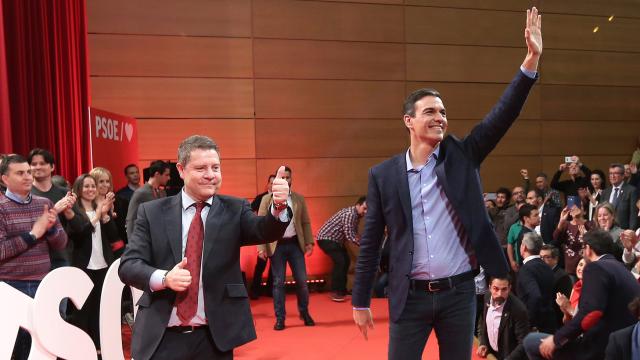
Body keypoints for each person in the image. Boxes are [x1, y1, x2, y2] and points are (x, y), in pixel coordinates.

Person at [351, 7, 542, 360]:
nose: (440, 118)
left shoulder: (462, 156)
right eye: (430, 112)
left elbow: (503, 115)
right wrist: (360, 299)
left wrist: (530, 62)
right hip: (409, 296)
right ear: (409, 120)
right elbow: (371, 242)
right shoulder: (384, 175)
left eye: (442, 112)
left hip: (459, 294)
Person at [119, 135, 292, 360]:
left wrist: (279, 205)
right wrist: (165, 278)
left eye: (216, 167)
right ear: (181, 170)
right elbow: (129, 265)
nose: (211, 175)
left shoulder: (235, 209)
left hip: (214, 339)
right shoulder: (151, 212)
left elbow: (266, 230)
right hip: (163, 337)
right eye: (201, 168)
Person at [523, 229, 640, 360]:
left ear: (588, 249)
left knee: (531, 341)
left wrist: (557, 339)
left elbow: (592, 313)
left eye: (583, 250)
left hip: (600, 348)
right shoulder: (622, 268)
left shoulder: (596, 267)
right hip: (625, 345)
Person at [0, 154, 68, 360]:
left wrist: (51, 230)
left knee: (43, 345)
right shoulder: (1, 207)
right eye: (20, 173)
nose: (28, 177)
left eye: (28, 172)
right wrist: (33, 235)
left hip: (43, 284)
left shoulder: (44, 203)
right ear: (4, 179)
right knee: (16, 348)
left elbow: (61, 244)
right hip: (11, 286)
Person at [257, 166, 315, 331]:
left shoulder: (298, 199)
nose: (285, 180)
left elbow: (305, 222)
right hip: (277, 246)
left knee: (303, 282)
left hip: (295, 244)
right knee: (278, 283)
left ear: (291, 179)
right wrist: (261, 248)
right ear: (276, 180)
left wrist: (309, 241)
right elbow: (259, 225)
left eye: (287, 177)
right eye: (281, 177)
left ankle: (304, 313)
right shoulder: (266, 200)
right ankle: (280, 318)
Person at [67, 174, 120, 353]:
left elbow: (113, 235)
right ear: (78, 189)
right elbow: (80, 232)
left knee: (100, 307)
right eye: (86, 186)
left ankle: (98, 347)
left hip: (103, 264)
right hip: (83, 266)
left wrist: (105, 215)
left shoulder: (100, 207)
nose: (90, 189)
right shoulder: (73, 210)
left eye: (93, 186)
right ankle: (81, 347)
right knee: (82, 308)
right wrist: (97, 215)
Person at [317, 196, 367, 302]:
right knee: (341, 261)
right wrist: (365, 245)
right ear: (358, 205)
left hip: (335, 241)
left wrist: (362, 240)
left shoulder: (356, 216)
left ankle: (342, 290)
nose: (366, 212)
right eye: (365, 208)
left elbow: (353, 234)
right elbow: (350, 236)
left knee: (345, 261)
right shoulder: (350, 214)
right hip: (326, 239)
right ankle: (335, 292)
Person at [476, 276, 530, 360]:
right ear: (489, 287)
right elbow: (485, 323)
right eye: (496, 289)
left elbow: (523, 343)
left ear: (509, 288)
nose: (499, 294)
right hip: (492, 354)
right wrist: (484, 343)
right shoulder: (487, 296)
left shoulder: (519, 310)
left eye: (504, 289)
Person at [517, 232, 556, 333]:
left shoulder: (526, 269)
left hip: (535, 326)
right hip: (549, 321)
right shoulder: (547, 267)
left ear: (524, 247)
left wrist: (530, 322)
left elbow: (535, 296)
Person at [125, 159, 171, 238]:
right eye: (166, 175)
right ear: (157, 174)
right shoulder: (141, 193)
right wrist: (133, 245)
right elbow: (131, 220)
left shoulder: (162, 193)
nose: (169, 178)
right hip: (144, 239)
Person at [248, 174, 275, 299]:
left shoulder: (281, 198)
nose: (273, 185)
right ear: (268, 184)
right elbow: (250, 211)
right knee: (261, 265)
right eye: (271, 182)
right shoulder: (261, 198)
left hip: (276, 236)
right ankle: (255, 290)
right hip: (263, 235)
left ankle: (270, 290)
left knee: (274, 267)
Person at [540, 244, 573, 327]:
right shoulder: (541, 272)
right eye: (540, 257)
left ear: (556, 259)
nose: (542, 260)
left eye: (546, 257)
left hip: (556, 322)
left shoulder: (562, 277)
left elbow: (562, 304)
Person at [601, 163, 639, 230]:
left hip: (623, 232)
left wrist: (630, 232)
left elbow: (634, 215)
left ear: (623, 176)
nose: (612, 176)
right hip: (606, 233)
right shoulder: (605, 192)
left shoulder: (631, 191)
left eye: (616, 173)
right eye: (610, 173)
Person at [555, 258, 585, 324]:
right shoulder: (575, 287)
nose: (582, 268)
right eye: (581, 265)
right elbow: (566, 322)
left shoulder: (592, 290)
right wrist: (565, 311)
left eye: (587, 266)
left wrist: (568, 308)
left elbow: (584, 322)